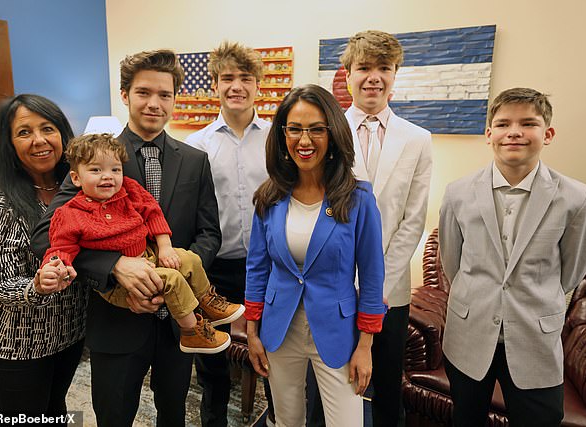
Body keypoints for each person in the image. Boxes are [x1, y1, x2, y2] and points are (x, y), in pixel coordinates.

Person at [31, 50, 221, 426]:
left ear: (174, 99)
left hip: (178, 325)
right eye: (143, 92)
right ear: (124, 95)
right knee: (114, 416)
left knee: (174, 415)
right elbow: (45, 235)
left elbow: (209, 233)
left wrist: (173, 275)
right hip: (115, 324)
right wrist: (115, 265)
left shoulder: (195, 160)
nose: (154, 103)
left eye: (164, 94)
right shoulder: (96, 159)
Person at [439, 87, 586, 427]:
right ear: (489, 134)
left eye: (528, 123)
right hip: (469, 334)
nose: (514, 132)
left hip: (534, 337)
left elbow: (573, 270)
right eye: (503, 124)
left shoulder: (577, 199)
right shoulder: (457, 193)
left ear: (548, 133)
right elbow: (453, 263)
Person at [245, 84, 386, 427]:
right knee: (287, 420)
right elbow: (257, 267)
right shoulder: (269, 197)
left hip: (337, 330)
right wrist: (252, 332)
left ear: (333, 133)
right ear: (282, 135)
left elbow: (371, 275)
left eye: (316, 129)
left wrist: (365, 345)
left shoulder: (358, 200)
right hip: (280, 328)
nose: (304, 140)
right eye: (294, 129)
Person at [314, 29, 432, 427]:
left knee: (384, 387)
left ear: (395, 75)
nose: (373, 77)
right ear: (348, 74)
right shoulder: (326, 133)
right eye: (364, 67)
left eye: (384, 68)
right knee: (327, 385)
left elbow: (412, 220)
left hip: (389, 291)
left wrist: (376, 284)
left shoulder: (418, 140)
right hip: (332, 287)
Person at [42, 133, 244, 354]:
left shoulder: (128, 190)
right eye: (96, 170)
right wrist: (56, 267)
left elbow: (153, 213)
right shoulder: (70, 213)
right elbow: (60, 247)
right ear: (76, 178)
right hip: (118, 287)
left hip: (149, 255)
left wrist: (165, 246)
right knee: (173, 278)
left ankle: (207, 300)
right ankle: (191, 332)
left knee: (190, 258)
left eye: (115, 170)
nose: (107, 176)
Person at [0, 94, 87, 423]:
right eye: (24, 132)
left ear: (62, 134)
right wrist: (36, 285)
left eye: (47, 128)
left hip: (68, 333)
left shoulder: (81, 190)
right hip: (13, 341)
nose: (39, 140)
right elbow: (1, 282)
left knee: (55, 411)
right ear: (8, 143)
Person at [185, 40, 271, 426]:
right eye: (228, 78)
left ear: (258, 86)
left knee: (273, 357)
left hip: (268, 269)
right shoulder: (196, 146)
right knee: (212, 366)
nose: (237, 86)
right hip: (213, 271)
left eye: (245, 78)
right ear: (215, 84)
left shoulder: (277, 139)